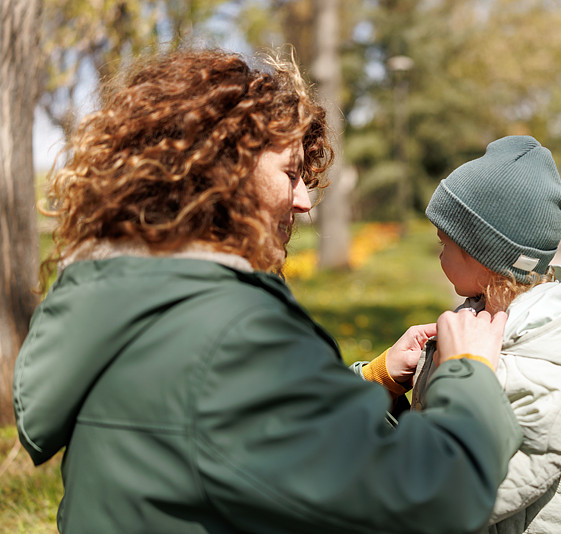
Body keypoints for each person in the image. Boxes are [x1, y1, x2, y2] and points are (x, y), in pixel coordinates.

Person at [13, 48, 522, 534]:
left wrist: (376, 376)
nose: (304, 201)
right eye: (291, 174)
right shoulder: (228, 335)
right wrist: (469, 374)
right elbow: (435, 496)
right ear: (221, 173)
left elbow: (230, 432)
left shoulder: (127, 303)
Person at [411, 136, 561, 534]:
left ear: (484, 257)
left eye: (445, 243)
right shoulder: (481, 318)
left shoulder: (535, 363)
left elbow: (482, 484)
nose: (438, 254)